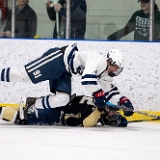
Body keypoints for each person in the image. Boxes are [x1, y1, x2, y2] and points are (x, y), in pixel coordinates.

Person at [0, 42, 134, 119]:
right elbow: (87, 79)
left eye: (118, 69)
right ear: (109, 61)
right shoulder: (98, 59)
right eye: (116, 66)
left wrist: (124, 102)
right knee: (22, 76)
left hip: (65, 72)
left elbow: (110, 90)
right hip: (58, 60)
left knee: (62, 99)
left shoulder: (106, 74)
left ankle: (31, 103)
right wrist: (99, 96)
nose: (116, 70)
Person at [0, 94, 128, 127]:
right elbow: (74, 122)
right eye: (114, 112)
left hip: (57, 100)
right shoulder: (93, 119)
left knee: (24, 109)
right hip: (56, 113)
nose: (113, 113)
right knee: (23, 118)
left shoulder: (97, 98)